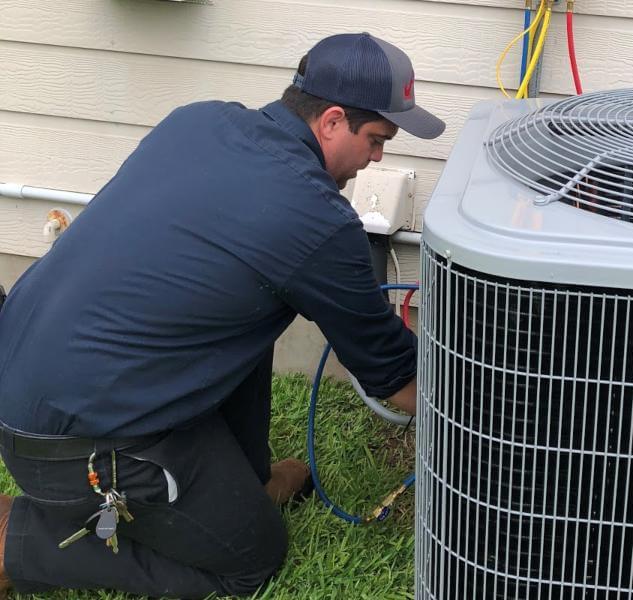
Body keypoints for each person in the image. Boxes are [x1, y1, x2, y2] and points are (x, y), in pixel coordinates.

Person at [0, 32, 444, 598]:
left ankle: (246, 483)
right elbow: (395, 377)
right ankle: (16, 540)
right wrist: (489, 416)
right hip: (70, 444)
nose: (379, 157)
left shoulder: (200, 121)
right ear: (332, 121)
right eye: (377, 138)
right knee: (249, 560)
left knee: (247, 308)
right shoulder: (316, 219)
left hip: (31, 374)